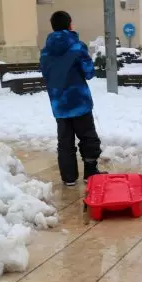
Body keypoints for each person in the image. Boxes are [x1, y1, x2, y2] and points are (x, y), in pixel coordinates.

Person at [40, 11, 105, 186]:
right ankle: (90, 172)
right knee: (87, 136)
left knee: (65, 140)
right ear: (69, 25)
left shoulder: (46, 51)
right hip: (78, 101)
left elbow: (46, 74)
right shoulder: (77, 47)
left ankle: (68, 177)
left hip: (58, 102)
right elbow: (89, 72)